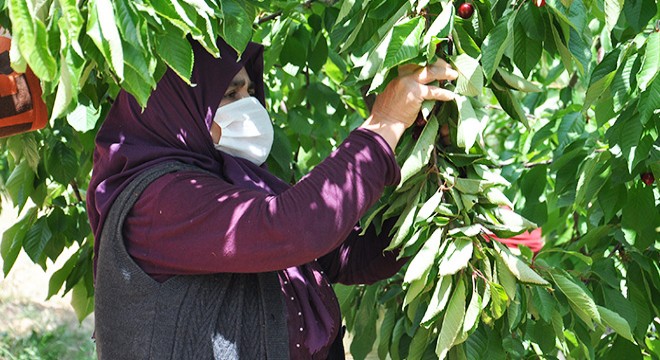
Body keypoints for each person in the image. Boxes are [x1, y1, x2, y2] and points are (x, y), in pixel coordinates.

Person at [87, 37, 458, 359]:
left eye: (249, 91)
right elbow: (295, 230)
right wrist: (385, 122)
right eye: (230, 94)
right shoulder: (157, 202)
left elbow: (342, 256)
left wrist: (430, 203)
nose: (250, 107)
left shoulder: (239, 181)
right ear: (181, 107)